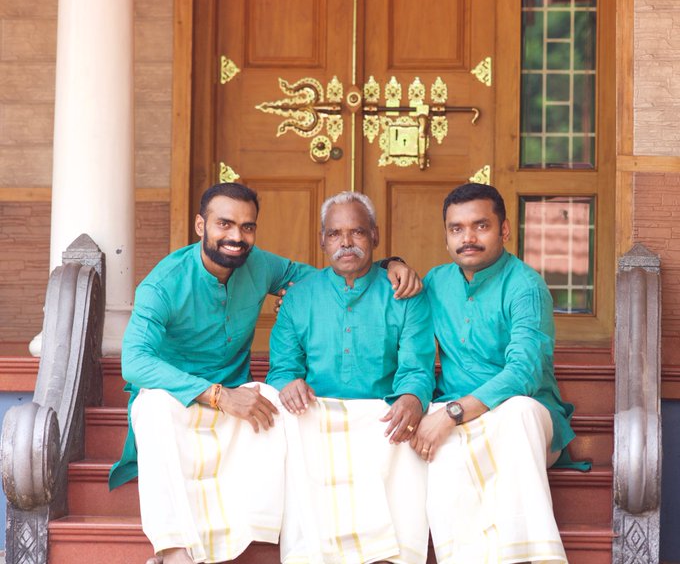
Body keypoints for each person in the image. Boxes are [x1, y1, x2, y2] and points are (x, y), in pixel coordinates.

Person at [107, 182, 421, 564]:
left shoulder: (260, 264)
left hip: (239, 391)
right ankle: (173, 549)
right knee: (151, 407)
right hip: (178, 394)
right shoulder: (164, 283)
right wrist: (219, 396)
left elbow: (335, 275)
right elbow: (135, 362)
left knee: (274, 401)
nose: (236, 236)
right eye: (224, 224)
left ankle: (246, 534)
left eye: (247, 226)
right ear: (200, 225)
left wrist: (391, 264)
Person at [412, 183, 579, 564]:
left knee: (517, 411)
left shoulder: (525, 286)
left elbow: (524, 372)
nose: (467, 238)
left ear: (503, 230)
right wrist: (392, 263)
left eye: (480, 226)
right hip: (457, 414)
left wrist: (452, 414)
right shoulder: (436, 282)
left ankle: (530, 557)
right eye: (456, 229)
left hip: (523, 416)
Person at [266, 191, 436, 564]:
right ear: (322, 240)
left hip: (381, 414)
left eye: (357, 233)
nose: (346, 243)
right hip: (316, 414)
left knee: (406, 433)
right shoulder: (299, 297)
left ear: (374, 236)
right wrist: (288, 383)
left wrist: (411, 397)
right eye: (334, 234)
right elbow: (281, 367)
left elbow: (417, 368)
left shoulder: (404, 294)